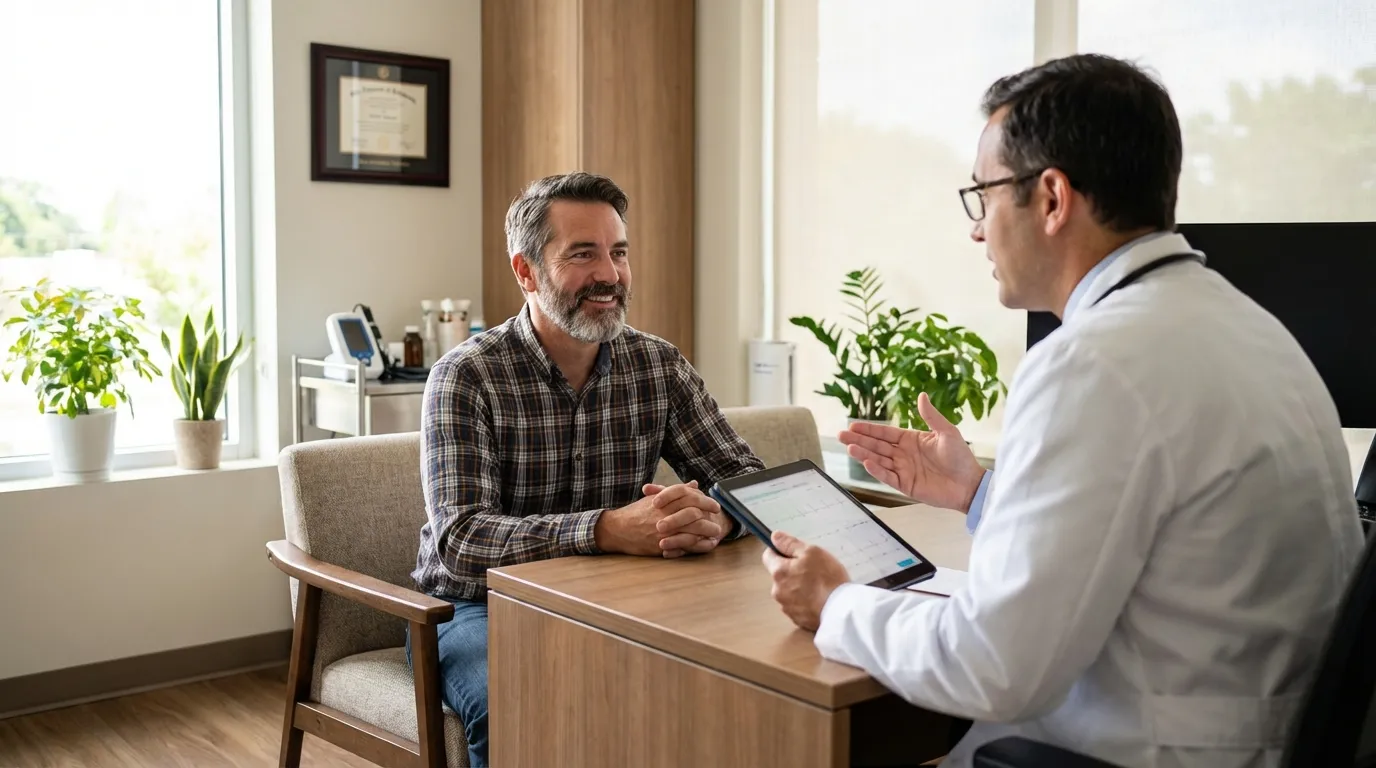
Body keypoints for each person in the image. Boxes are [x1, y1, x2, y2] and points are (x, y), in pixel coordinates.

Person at [763, 53, 1364, 767]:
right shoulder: (1251, 329)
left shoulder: (1095, 361)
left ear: (1051, 199)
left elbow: (993, 668)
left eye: (982, 195)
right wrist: (980, 494)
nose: (977, 231)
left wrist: (837, 604)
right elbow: (1156, 546)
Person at [409, 172, 766, 767]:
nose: (611, 274)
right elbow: (461, 541)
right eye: (583, 254)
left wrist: (715, 521)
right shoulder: (466, 376)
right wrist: (606, 529)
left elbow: (746, 478)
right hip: (476, 608)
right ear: (525, 272)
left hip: (620, 595)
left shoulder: (658, 365)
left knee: (732, 677)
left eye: (618, 252)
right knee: (520, 703)